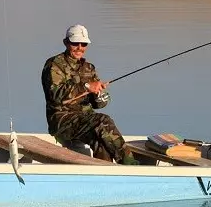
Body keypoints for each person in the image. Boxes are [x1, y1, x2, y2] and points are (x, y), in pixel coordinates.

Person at [40, 24, 138, 164]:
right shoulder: (54, 65)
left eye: (84, 44)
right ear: (66, 42)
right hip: (62, 120)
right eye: (75, 43)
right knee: (103, 121)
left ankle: (103, 175)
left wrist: (99, 95)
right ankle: (131, 164)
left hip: (86, 119)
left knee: (101, 140)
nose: (80, 47)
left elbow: (99, 104)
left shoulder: (89, 68)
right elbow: (55, 95)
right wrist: (86, 86)